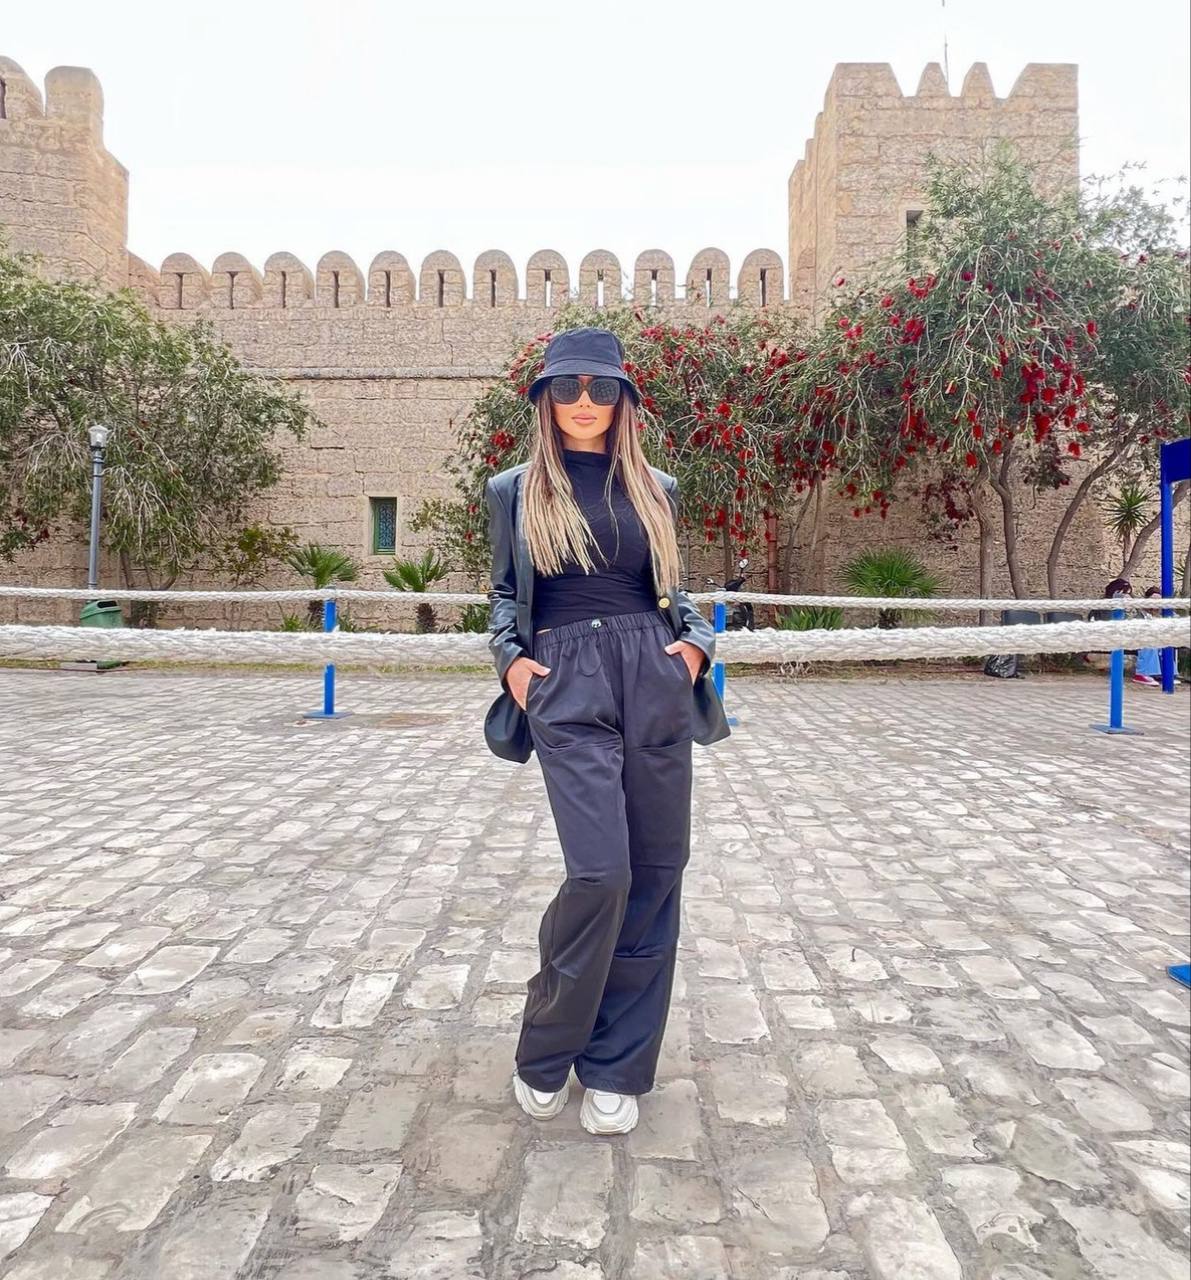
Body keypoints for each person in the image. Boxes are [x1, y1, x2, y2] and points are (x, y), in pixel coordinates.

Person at [483, 327, 730, 1136]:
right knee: (600, 873)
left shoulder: (656, 486)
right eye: (566, 388)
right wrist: (513, 665)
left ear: (622, 399)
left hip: (652, 672)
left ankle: (617, 1062)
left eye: (599, 388)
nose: (582, 402)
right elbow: (503, 594)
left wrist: (695, 645)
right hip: (564, 677)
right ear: (544, 400)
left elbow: (670, 588)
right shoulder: (513, 490)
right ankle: (547, 1049)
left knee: (656, 870)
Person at [1134, 586, 1165, 686]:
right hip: (1140, 638)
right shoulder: (1141, 614)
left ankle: (1165, 673)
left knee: (1166, 646)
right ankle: (1142, 673)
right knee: (1150, 644)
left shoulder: (1162, 614)